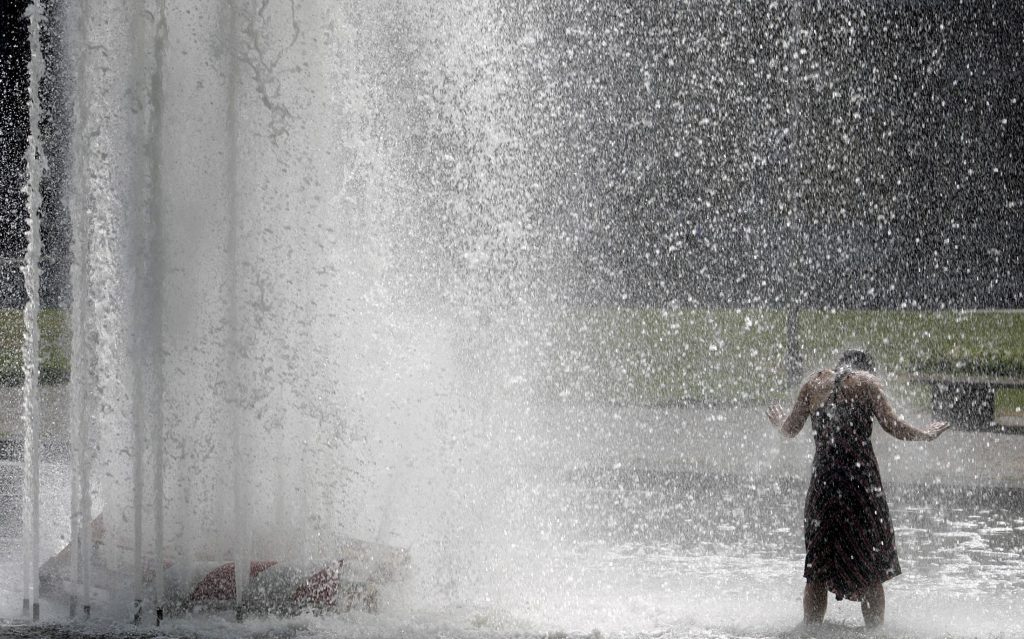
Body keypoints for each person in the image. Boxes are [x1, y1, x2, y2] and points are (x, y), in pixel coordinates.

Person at [766, 349, 950, 629]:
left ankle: (809, 630)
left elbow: (789, 429)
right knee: (871, 565)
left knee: (817, 566)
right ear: (866, 369)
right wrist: (924, 434)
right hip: (861, 485)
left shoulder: (813, 383)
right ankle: (874, 633)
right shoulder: (867, 383)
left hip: (824, 484)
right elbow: (893, 426)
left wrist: (778, 422)